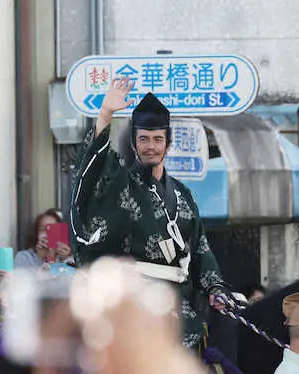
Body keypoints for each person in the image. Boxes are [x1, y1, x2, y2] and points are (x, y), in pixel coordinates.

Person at [70, 78, 229, 349]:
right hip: (136, 303)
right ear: (133, 145)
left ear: (168, 145)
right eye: (143, 139)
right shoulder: (119, 185)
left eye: (158, 139)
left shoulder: (183, 194)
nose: (151, 146)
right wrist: (105, 114)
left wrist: (215, 288)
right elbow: (91, 173)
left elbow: (200, 249)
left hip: (181, 305)